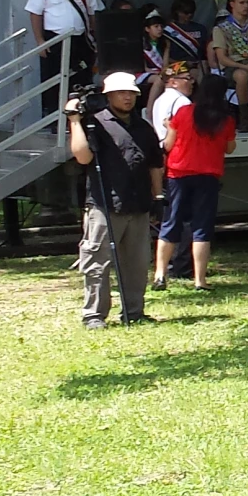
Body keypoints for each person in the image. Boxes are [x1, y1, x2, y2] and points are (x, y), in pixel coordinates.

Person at [66, 70, 164, 328]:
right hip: (104, 204)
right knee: (96, 262)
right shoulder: (95, 123)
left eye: (131, 93)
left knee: (137, 263)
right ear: (108, 96)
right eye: (121, 93)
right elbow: (83, 157)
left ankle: (134, 311)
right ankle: (94, 315)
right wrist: (74, 120)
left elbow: (155, 163)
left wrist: (158, 195)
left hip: (139, 203)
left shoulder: (143, 127)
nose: (127, 98)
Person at [150, 71, 233, 294]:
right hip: (208, 174)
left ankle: (160, 274)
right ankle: (200, 279)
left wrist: (169, 128)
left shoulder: (184, 112)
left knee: (171, 223)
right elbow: (229, 147)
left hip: (178, 172)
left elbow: (168, 145)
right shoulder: (225, 119)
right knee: (202, 227)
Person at [24, 0, 99, 92]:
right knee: (55, 80)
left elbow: (94, 13)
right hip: (55, 40)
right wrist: (40, 41)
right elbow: (35, 13)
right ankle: (55, 112)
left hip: (81, 39)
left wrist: (95, 38)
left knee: (82, 77)